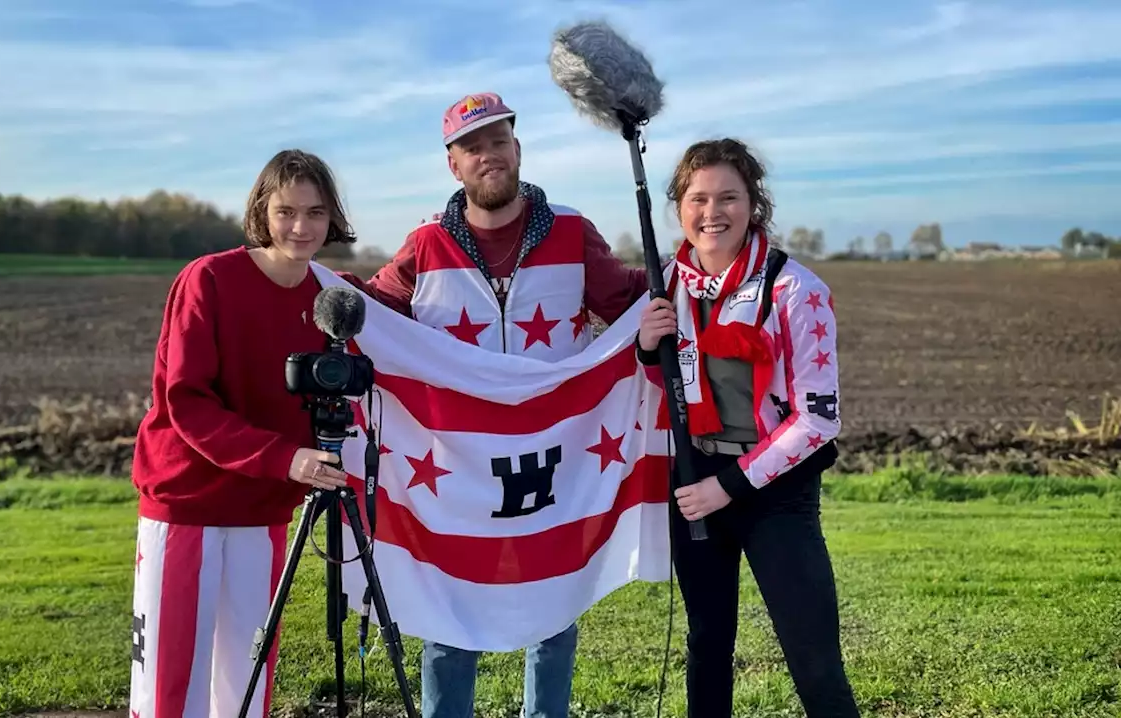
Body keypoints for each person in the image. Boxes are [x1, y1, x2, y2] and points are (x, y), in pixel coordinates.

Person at [346, 92, 651, 718]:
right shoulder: (425, 246)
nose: (489, 156)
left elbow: (629, 300)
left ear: (518, 148)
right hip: (456, 472)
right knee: (450, 616)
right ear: (453, 165)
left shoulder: (571, 232)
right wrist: (308, 285)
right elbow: (372, 313)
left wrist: (698, 275)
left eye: (499, 141)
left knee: (553, 610)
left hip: (554, 463)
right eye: (472, 147)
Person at [635, 138, 860, 717]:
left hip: (773, 495)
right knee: (707, 645)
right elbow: (672, 386)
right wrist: (644, 347)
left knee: (812, 655)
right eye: (698, 198)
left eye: (728, 197)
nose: (713, 212)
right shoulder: (665, 286)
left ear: (753, 204)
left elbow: (818, 418)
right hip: (693, 480)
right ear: (678, 207)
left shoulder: (795, 290)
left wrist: (728, 486)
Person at [128, 149, 355, 717]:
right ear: (262, 210)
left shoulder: (328, 300)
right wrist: (284, 458)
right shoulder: (209, 278)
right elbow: (187, 400)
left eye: (316, 213)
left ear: (332, 219)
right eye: (286, 211)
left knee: (247, 681)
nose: (301, 227)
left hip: (263, 511)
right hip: (189, 502)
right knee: (171, 679)